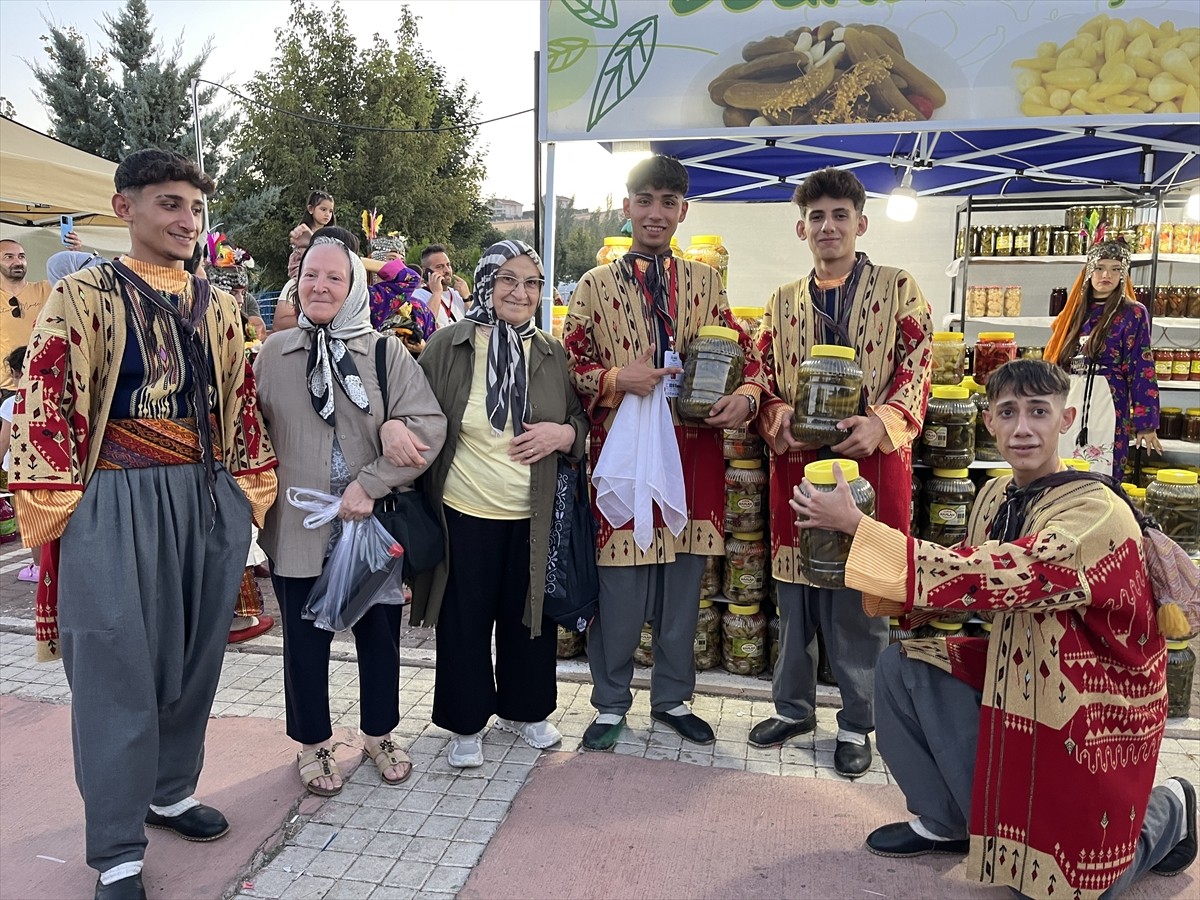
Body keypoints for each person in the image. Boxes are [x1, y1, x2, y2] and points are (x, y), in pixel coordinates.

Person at [790, 358, 1195, 900]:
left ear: (1066, 419)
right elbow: (965, 570)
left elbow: (998, 575)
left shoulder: (1094, 514)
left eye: (1038, 412)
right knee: (904, 667)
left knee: (1077, 888)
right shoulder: (995, 494)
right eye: (1008, 412)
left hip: (1094, 699)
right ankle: (946, 821)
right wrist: (862, 550)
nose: (1023, 428)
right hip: (1023, 664)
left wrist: (860, 529)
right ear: (989, 423)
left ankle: (1171, 807)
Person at [8, 148, 278, 900]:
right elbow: (49, 393)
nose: (186, 220)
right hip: (111, 495)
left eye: (194, 207)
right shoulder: (84, 293)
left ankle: (169, 790)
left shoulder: (221, 304)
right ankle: (119, 849)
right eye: (168, 204)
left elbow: (241, 400)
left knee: (194, 657)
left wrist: (244, 492)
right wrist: (60, 504)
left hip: (204, 492)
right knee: (115, 667)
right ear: (124, 208)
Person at [563, 155, 768, 751]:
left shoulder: (707, 284)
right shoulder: (594, 287)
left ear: (683, 211)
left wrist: (748, 397)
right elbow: (568, 364)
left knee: (684, 590)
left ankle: (674, 698)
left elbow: (746, 357)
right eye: (644, 200)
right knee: (620, 589)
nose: (656, 213)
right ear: (626, 207)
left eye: (668, 202)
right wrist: (613, 379)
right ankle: (609, 703)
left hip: (691, 451)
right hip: (620, 451)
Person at [747, 167, 932, 778]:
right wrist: (774, 415)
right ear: (803, 228)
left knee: (859, 601)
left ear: (861, 222)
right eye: (817, 217)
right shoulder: (780, 302)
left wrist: (882, 421)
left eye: (840, 215)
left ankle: (857, 722)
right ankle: (794, 707)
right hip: (800, 466)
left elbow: (919, 362)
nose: (829, 226)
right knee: (795, 598)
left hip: (871, 467)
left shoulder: (896, 286)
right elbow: (761, 376)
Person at [254, 234, 447, 797]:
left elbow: (428, 427)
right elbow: (250, 432)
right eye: (312, 275)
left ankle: (379, 733)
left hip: (369, 524)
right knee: (304, 645)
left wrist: (373, 477)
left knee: (379, 637)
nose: (320, 286)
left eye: (334, 277)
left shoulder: (386, 353)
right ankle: (313, 745)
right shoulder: (274, 353)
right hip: (298, 526)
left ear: (354, 286)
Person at [412, 239, 588, 768]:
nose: (521, 291)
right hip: (463, 510)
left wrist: (562, 435)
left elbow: (580, 423)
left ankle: (527, 710)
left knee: (529, 618)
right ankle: (466, 724)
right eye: (508, 279)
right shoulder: (449, 346)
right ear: (487, 281)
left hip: (532, 513)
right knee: (464, 620)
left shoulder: (552, 354)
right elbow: (417, 416)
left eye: (532, 282)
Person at [1045, 237, 1160, 479]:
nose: (1106, 275)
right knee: (1062, 464)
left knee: (1102, 466)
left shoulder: (1134, 313)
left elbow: (1142, 367)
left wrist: (1145, 424)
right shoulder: (1074, 311)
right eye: (1099, 268)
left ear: (1123, 274)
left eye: (1115, 269)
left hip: (1109, 398)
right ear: (1088, 271)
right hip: (1069, 395)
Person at [1, 232, 80, 395]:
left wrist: (74, 255)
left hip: (45, 383)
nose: (18, 262)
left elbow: (77, 289)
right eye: (9, 257)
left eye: (21, 256)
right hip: (6, 389)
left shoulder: (47, 288)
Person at [272, 225, 360, 333]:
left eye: (334, 278)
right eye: (310, 275)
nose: (319, 288)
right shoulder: (277, 347)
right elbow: (279, 323)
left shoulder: (376, 346)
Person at [0, 347, 39, 582]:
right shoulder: (52, 398)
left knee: (29, 523)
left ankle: (37, 567)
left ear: (16, 372)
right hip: (49, 467)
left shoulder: (11, 403)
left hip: (20, 470)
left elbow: (4, 439)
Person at [369, 257, 436, 356]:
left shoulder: (419, 308)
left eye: (402, 261)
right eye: (391, 260)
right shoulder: (367, 299)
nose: (398, 266)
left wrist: (424, 349)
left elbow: (436, 351)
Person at [414, 243, 469, 327]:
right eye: (440, 267)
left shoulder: (459, 295)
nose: (447, 270)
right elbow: (425, 325)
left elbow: (477, 324)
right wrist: (436, 293)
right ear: (426, 271)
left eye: (448, 265)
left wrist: (467, 298)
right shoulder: (417, 296)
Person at [286, 190, 337, 279]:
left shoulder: (332, 234)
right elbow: (301, 259)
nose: (327, 214)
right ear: (311, 209)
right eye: (323, 209)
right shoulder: (303, 232)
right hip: (303, 272)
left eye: (330, 211)